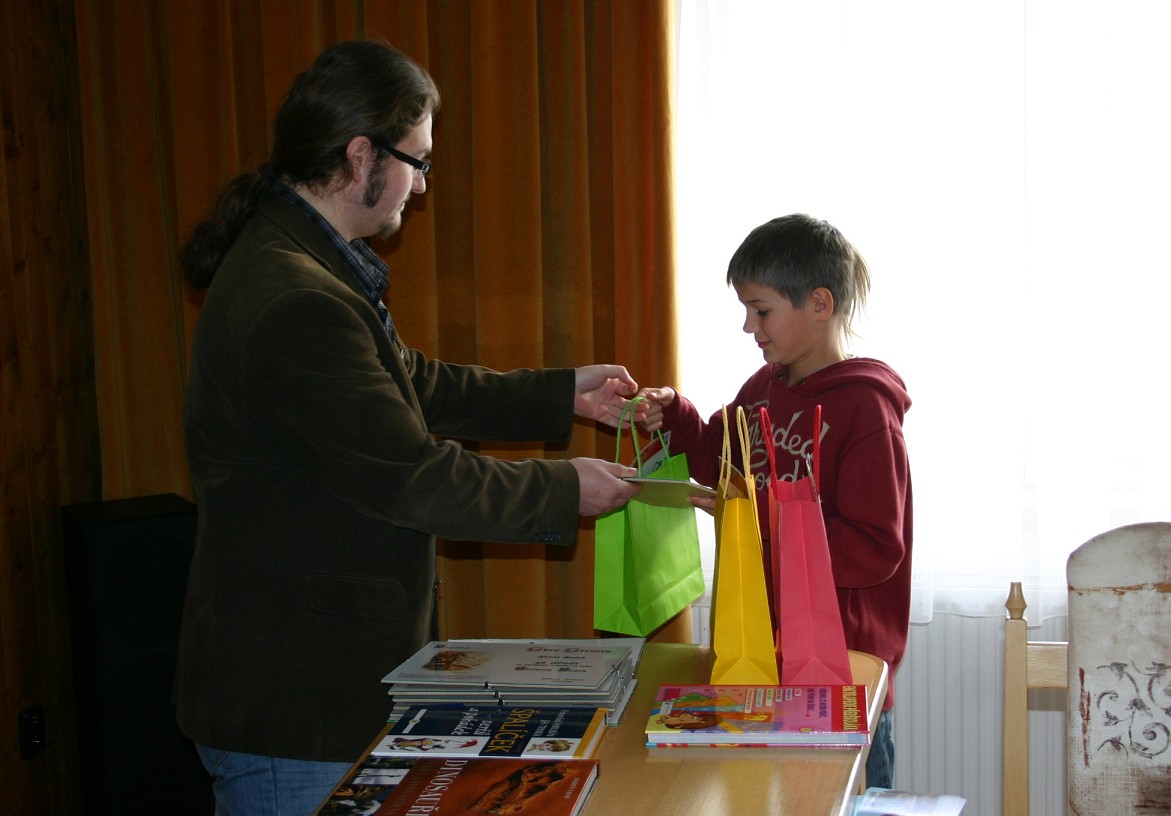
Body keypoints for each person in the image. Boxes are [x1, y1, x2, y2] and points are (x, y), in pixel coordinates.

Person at [175, 39, 643, 815]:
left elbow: (405, 382)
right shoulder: (295, 296)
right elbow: (413, 476)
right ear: (361, 156)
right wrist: (566, 489)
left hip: (309, 688)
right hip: (295, 703)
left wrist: (561, 394)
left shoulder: (304, 261)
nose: (422, 185)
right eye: (417, 162)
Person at [637, 214, 911, 788]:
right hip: (758, 661)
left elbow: (875, 549)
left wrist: (760, 517)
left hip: (839, 675)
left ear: (819, 304)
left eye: (760, 311)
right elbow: (717, 459)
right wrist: (676, 416)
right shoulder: (764, 389)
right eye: (746, 310)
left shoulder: (866, 408)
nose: (748, 327)